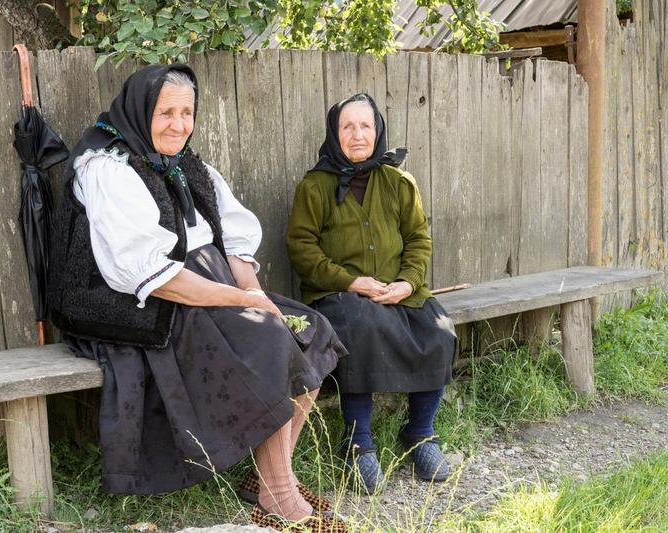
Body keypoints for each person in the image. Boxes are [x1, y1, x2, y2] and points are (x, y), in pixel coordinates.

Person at [48, 64, 348, 531]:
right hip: (134, 301)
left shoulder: (189, 165)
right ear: (140, 111)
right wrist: (238, 302)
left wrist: (248, 289)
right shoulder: (107, 167)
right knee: (267, 341)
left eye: (187, 112)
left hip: (206, 282)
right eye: (166, 112)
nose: (179, 124)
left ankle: (271, 479)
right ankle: (281, 496)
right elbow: (145, 272)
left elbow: (234, 237)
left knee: (311, 330)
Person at [286, 93, 457, 493]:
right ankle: (358, 442)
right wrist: (351, 281)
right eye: (348, 127)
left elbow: (418, 239)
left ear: (377, 131)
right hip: (339, 294)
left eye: (365, 126)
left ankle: (420, 433)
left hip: (398, 290)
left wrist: (408, 283)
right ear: (335, 133)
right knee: (359, 326)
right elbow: (302, 249)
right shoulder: (315, 187)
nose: (357, 134)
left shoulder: (399, 182)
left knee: (440, 327)